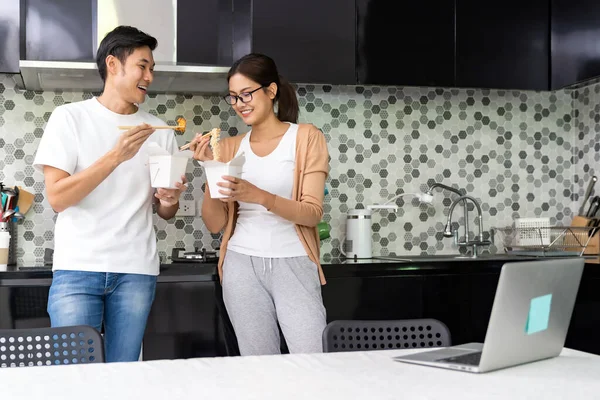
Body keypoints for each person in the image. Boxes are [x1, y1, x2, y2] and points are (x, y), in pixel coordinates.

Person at [33, 26, 186, 362]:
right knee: (73, 374)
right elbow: (58, 198)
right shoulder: (69, 119)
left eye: (152, 69)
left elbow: (164, 210)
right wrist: (115, 156)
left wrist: (170, 200)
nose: (150, 76)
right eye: (142, 66)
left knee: (124, 375)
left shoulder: (159, 131)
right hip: (78, 268)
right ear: (113, 65)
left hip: (136, 271)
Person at [190, 53, 329, 356]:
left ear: (271, 91)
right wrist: (210, 169)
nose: (240, 104)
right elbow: (215, 224)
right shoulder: (226, 146)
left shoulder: (306, 137)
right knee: (257, 369)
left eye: (247, 93)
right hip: (241, 264)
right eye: (234, 97)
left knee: (313, 362)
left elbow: (312, 213)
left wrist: (260, 196)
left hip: (293, 262)